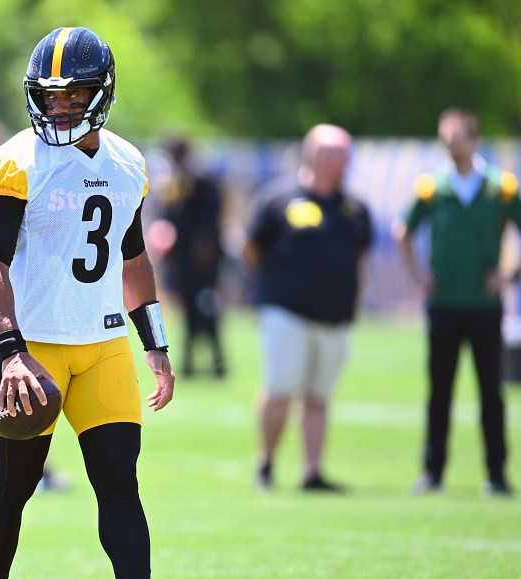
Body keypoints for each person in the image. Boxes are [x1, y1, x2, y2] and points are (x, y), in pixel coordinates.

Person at [0, 27, 187, 579]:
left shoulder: (127, 162)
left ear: (103, 92)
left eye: (75, 94)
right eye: (50, 95)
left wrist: (157, 347)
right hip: (33, 347)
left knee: (119, 478)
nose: (61, 106)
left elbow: (134, 256)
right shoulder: (13, 162)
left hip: (102, 343)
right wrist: (11, 351)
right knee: (17, 485)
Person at [394, 108, 521, 497]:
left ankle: (497, 474)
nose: (451, 147)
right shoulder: (433, 186)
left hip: (484, 306)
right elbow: (403, 231)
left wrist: (507, 273)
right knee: (440, 391)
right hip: (444, 304)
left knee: (490, 393)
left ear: (474, 140)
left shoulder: (501, 187)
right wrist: (420, 276)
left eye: (458, 139)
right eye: (446, 140)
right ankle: (433, 471)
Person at [243, 124, 373, 492]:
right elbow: (251, 248)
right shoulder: (278, 198)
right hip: (286, 312)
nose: (344, 161)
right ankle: (266, 463)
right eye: (337, 153)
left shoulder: (354, 208)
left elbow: (359, 254)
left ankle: (312, 472)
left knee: (319, 395)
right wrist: (275, 287)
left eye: (347, 153)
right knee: (281, 388)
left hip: (335, 318)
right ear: (316, 154)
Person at [156, 136, 227, 378]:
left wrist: (204, 241)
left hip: (202, 257)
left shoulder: (202, 176)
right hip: (183, 255)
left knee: (206, 305)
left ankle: (217, 361)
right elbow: (169, 215)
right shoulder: (173, 180)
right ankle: (190, 360)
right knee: (188, 308)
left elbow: (212, 212)